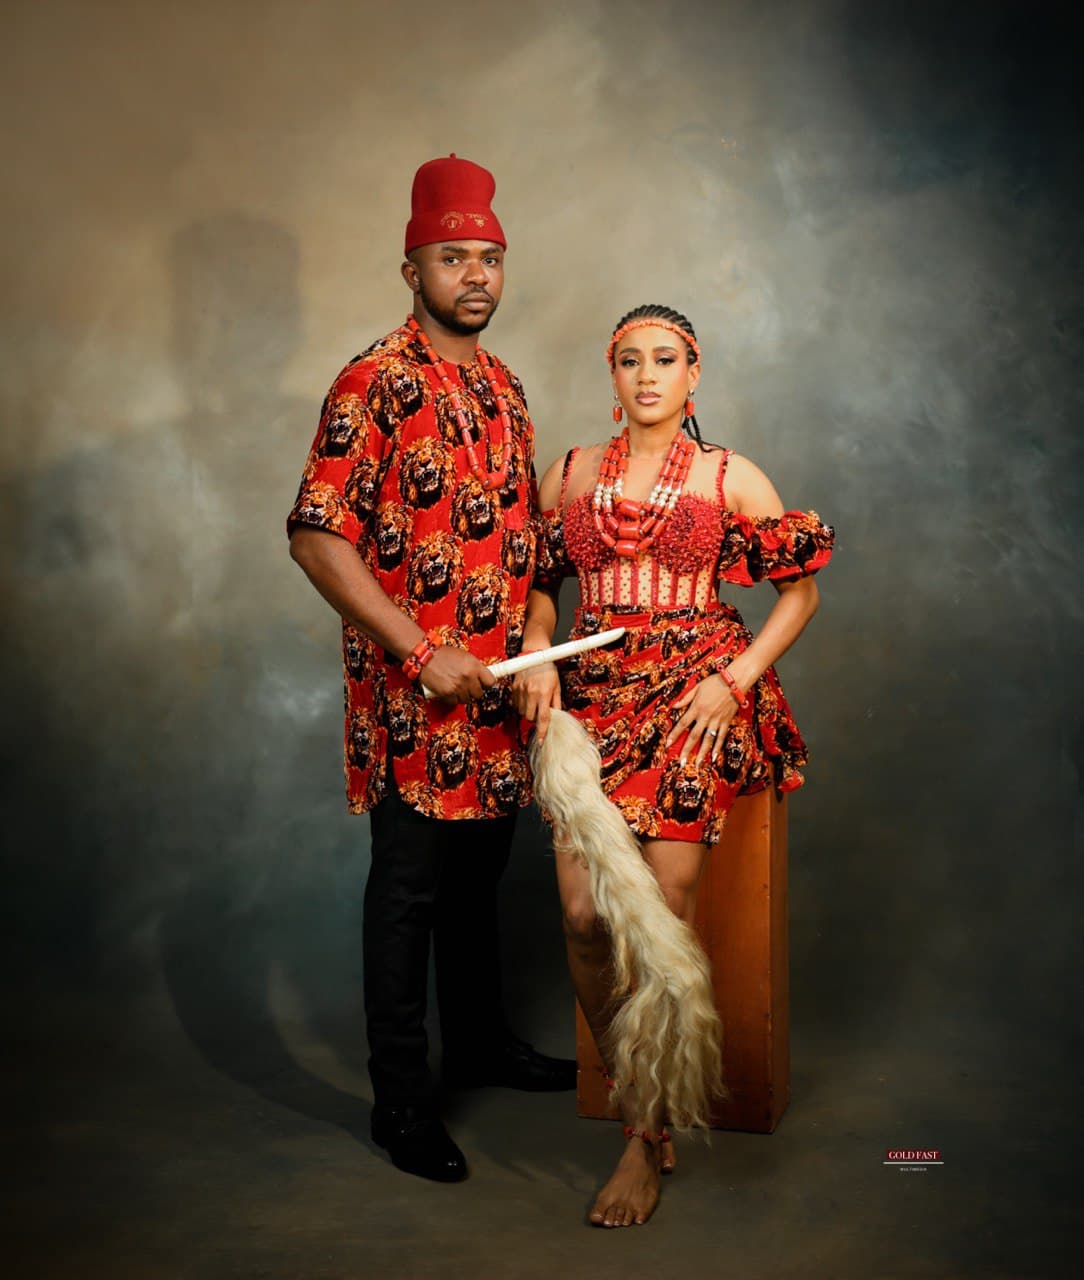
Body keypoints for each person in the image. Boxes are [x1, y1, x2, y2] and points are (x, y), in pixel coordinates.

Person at [512, 303, 834, 1227]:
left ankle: (640, 1140)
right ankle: (632, 1087)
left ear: (695, 374)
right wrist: (539, 655)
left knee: (661, 911)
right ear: (611, 377)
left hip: (696, 700)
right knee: (582, 916)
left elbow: (798, 594)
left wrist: (734, 681)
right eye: (628, 360)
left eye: (665, 359)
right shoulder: (569, 473)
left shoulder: (731, 475)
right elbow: (541, 585)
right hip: (592, 699)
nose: (647, 375)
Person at [287, 154, 574, 1185]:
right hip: (413, 701)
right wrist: (418, 649)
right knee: (408, 888)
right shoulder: (374, 380)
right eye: (454, 257)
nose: (478, 276)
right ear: (411, 266)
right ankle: (401, 1100)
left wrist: (539, 628)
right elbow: (318, 535)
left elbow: (534, 541)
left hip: (499, 691)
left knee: (480, 878)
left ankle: (485, 1042)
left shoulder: (505, 385)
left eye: (490, 257)